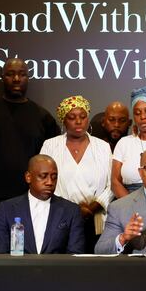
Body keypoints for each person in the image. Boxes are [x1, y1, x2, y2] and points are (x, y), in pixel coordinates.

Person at [0, 57, 59, 252]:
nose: (16, 79)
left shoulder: (43, 117)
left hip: (28, 201)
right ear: (2, 78)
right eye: (10, 74)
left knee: (25, 256)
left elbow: (52, 163)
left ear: (28, 78)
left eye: (22, 74)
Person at [40, 95, 112, 253]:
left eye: (83, 116)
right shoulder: (50, 145)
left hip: (96, 218)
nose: (78, 121)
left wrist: (94, 206)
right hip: (60, 216)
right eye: (72, 117)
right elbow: (44, 179)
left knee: (94, 267)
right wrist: (72, 209)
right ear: (63, 121)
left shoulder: (103, 147)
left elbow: (112, 184)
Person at [0, 154, 85, 254]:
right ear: (28, 177)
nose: (50, 182)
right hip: (18, 269)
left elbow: (75, 255)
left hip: (57, 269)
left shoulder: (71, 210)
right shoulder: (7, 209)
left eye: (54, 177)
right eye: (43, 176)